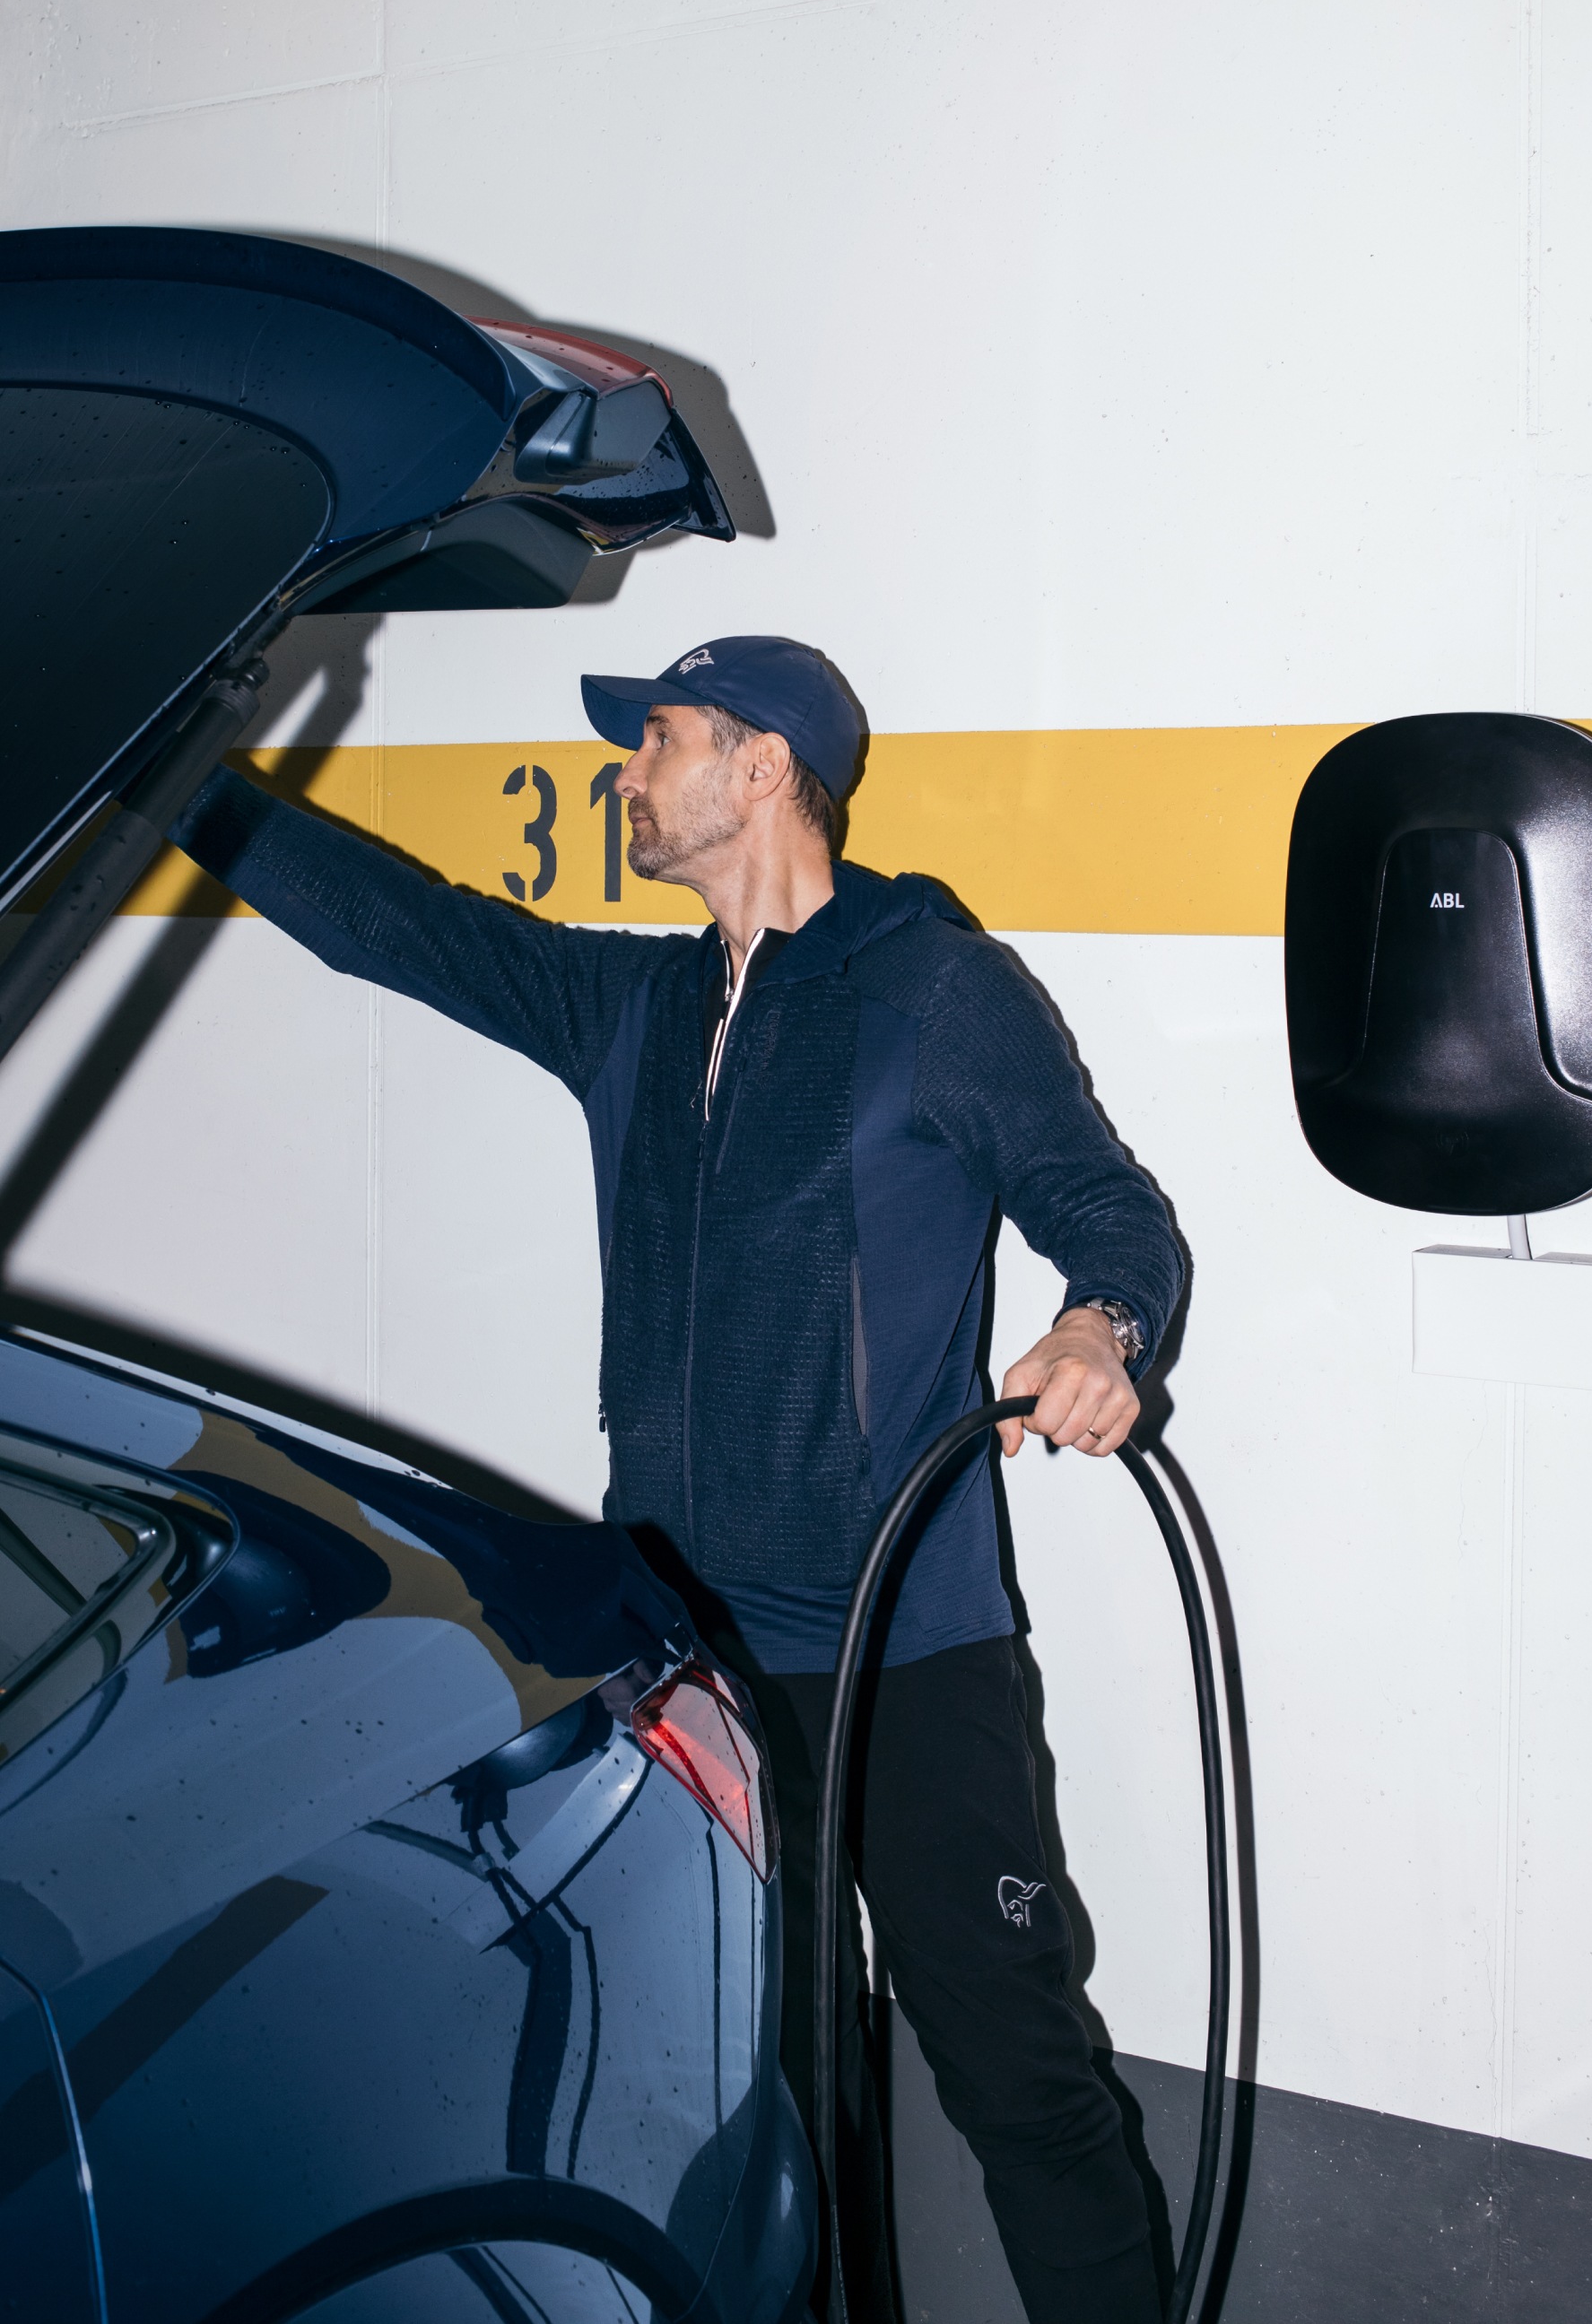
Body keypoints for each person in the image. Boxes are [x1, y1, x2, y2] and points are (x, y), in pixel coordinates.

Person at [170, 632, 1184, 2324]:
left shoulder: (931, 988)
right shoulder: (637, 1008)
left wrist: (1100, 1331)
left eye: (658, 741)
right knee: (757, 2102)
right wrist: (182, 781)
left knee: (1022, 2074)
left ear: (765, 766)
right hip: (695, 1667)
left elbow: (1109, 1205)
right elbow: (410, 927)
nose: (625, 777)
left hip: (907, 1647)